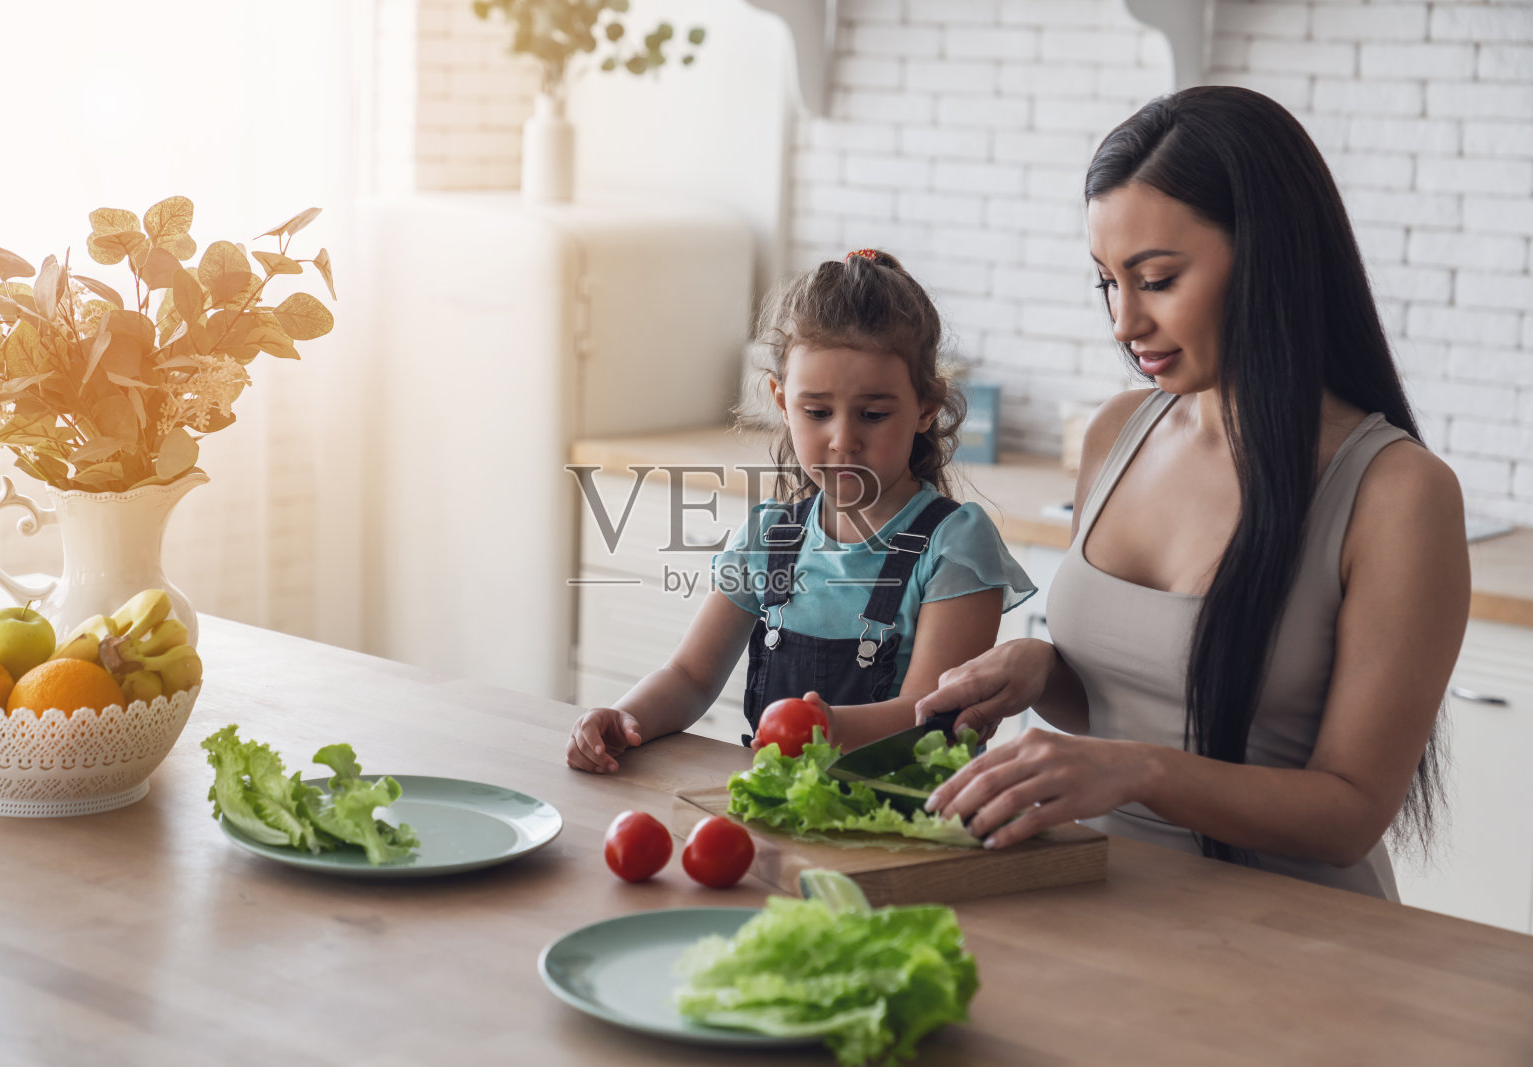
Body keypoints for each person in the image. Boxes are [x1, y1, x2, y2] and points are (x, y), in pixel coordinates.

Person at [916, 86, 1470, 900]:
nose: (1124, 321)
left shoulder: (1397, 493)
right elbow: (1135, 707)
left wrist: (1138, 771)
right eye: (1107, 282)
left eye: (1158, 279)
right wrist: (1041, 670)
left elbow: (1350, 810)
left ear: (1270, 256)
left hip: (1292, 933)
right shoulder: (1117, 433)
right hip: (1091, 892)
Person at [567, 250, 1035, 773]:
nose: (843, 440)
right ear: (782, 401)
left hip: (906, 821)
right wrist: (624, 718)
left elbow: (934, 718)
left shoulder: (955, 545)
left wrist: (827, 731)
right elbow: (690, 677)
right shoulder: (770, 536)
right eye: (816, 412)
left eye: (874, 414)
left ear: (926, 407)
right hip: (784, 810)